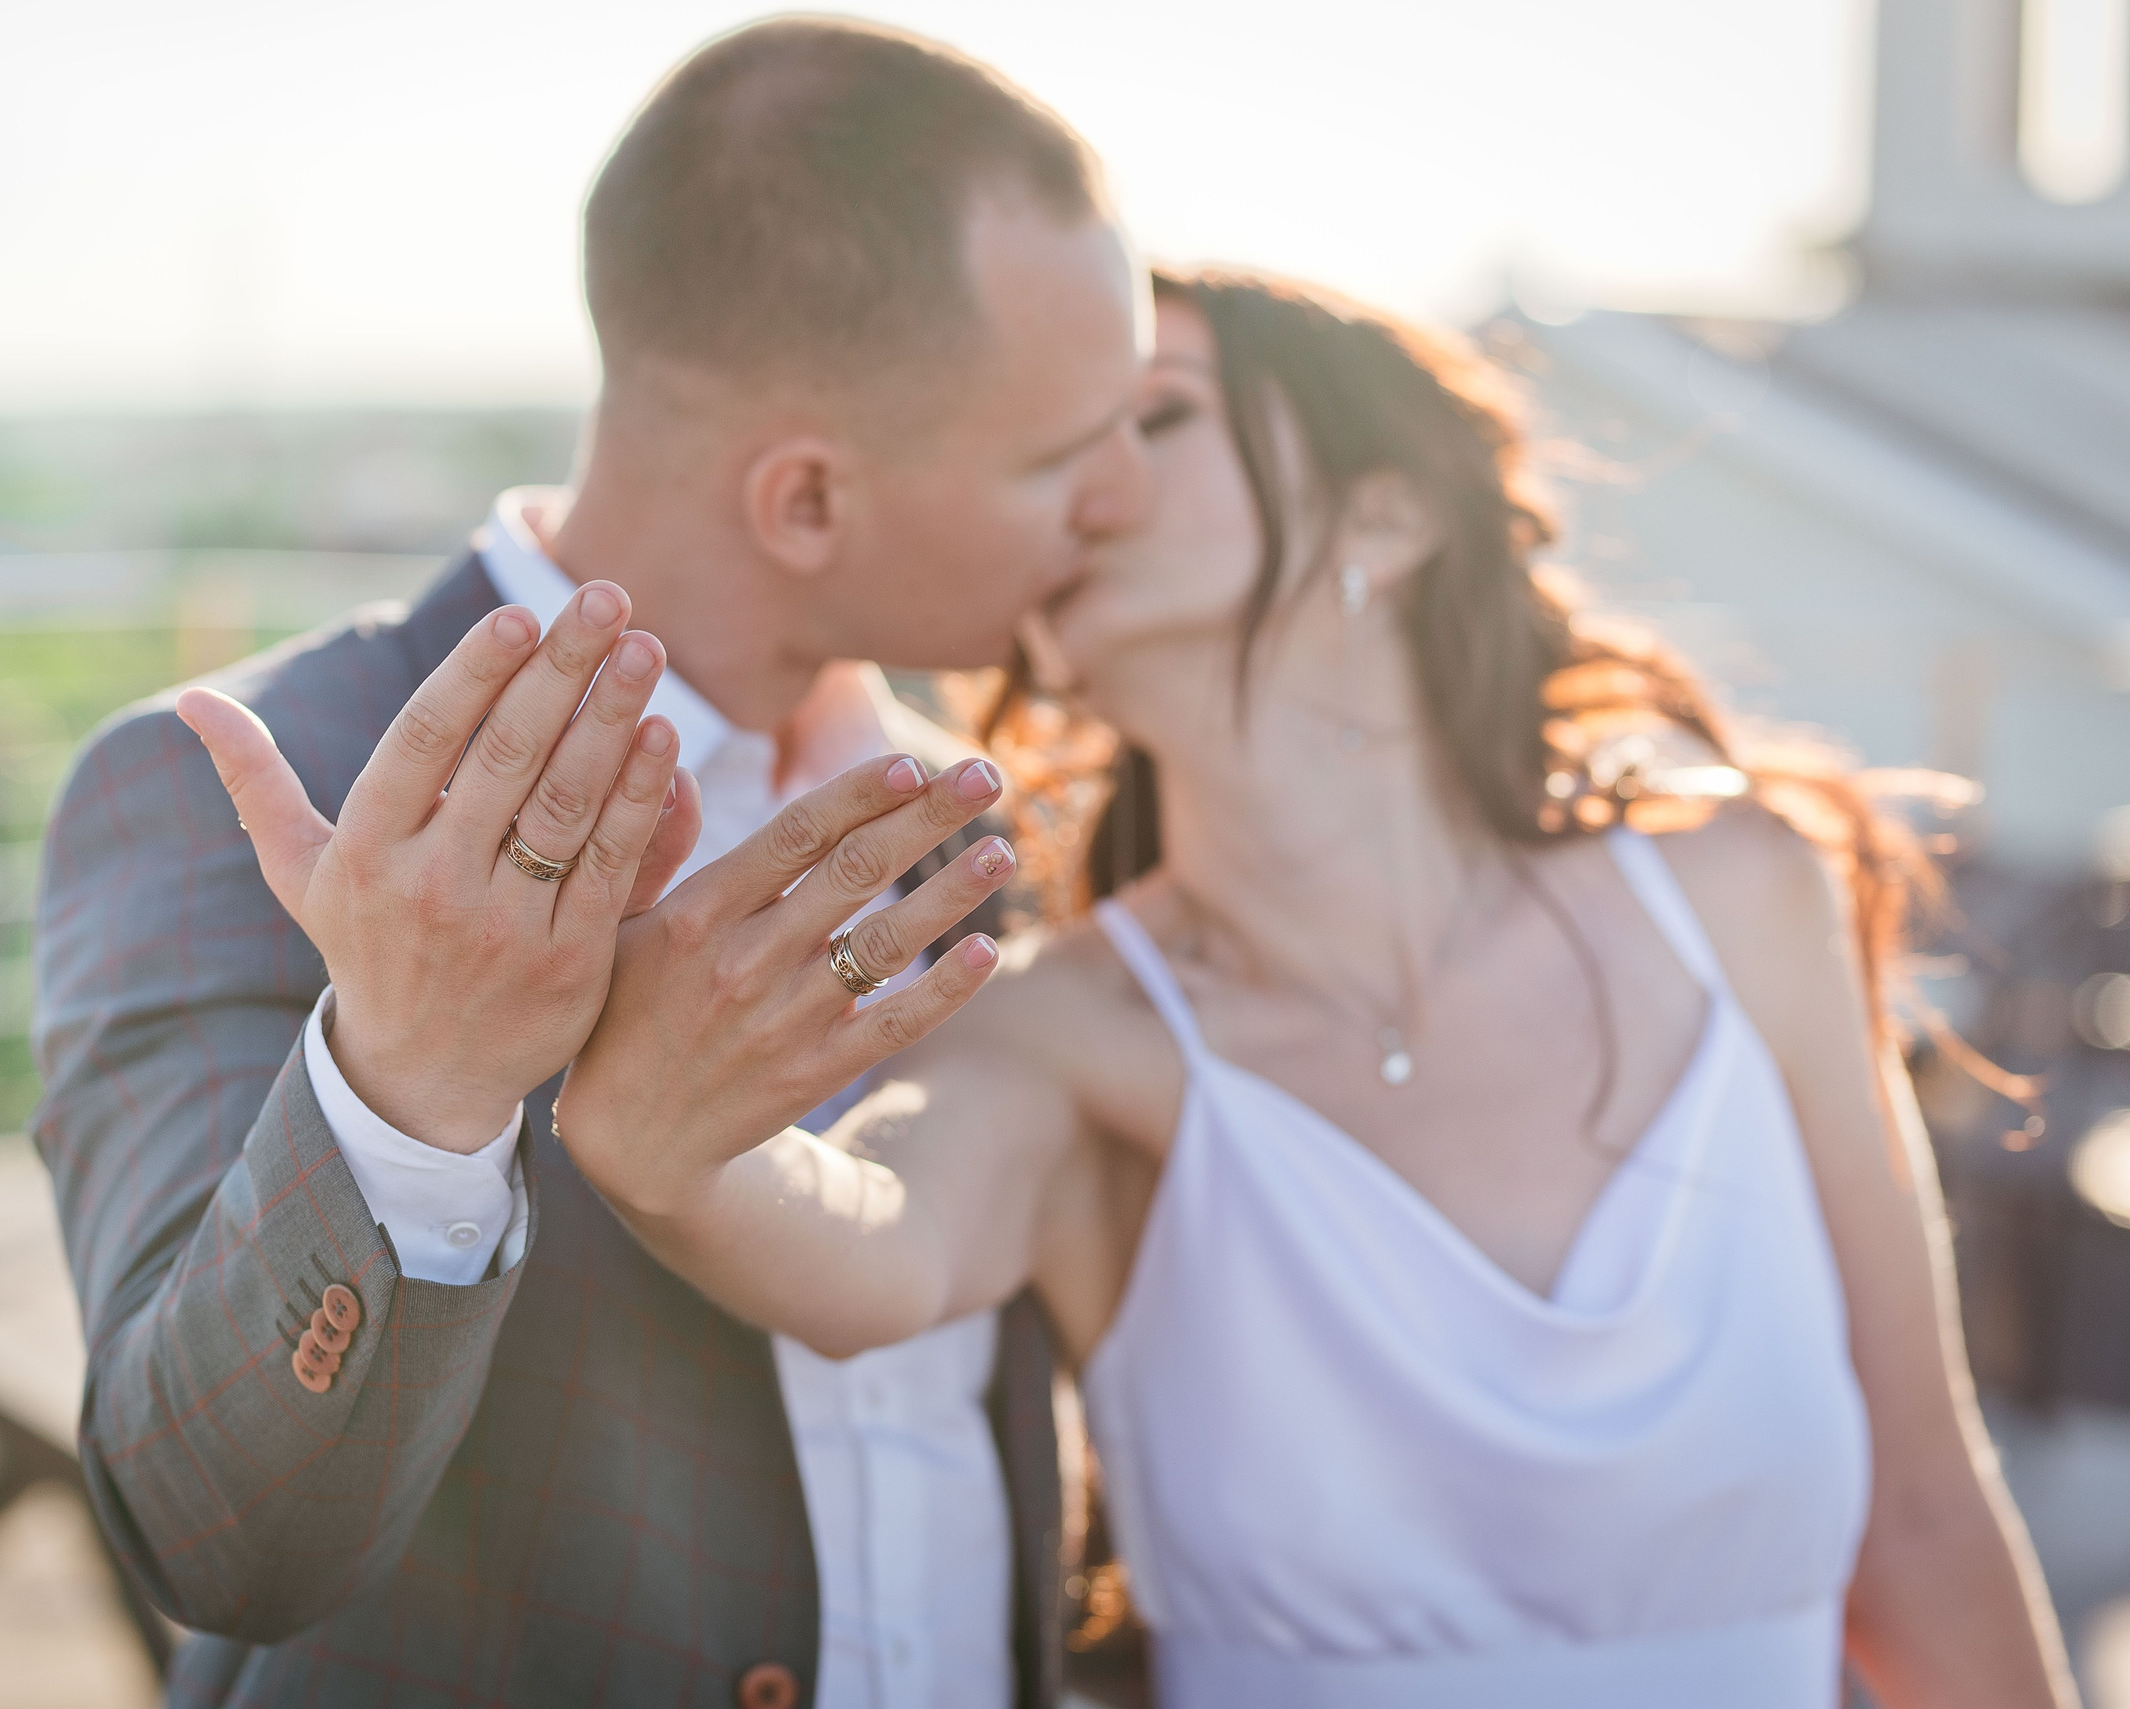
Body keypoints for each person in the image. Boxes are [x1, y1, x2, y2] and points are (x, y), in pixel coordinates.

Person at [557, 269, 2083, 1708]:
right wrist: (670, 1145)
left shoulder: (1738, 895)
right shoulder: (1067, 1027)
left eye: (1153, 416)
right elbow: (864, 1248)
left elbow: (1929, 1521)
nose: (1083, 482)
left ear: (1392, 508)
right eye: (1052, 448)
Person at [33, 18, 1151, 1709]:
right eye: (1063, 454)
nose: (1122, 498)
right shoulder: (237, 794)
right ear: (805, 502)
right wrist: (412, 1083)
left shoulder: (993, 813)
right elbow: (212, 1538)